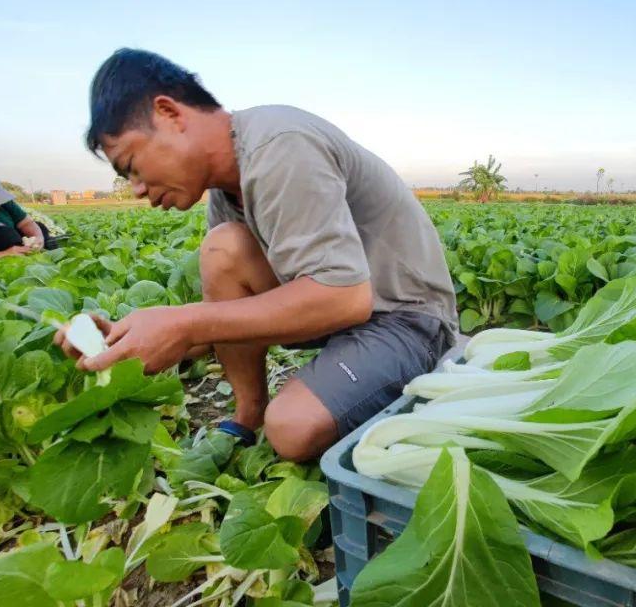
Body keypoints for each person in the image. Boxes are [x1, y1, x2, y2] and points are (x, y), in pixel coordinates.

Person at [56, 48, 458, 462]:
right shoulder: (226, 191)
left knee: (293, 428)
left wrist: (184, 323)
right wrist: (124, 339)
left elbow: (345, 297)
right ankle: (249, 413)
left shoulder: (279, 142)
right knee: (223, 249)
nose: (137, 189)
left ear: (169, 114)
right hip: (345, 315)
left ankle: (416, 377)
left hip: (406, 319)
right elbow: (227, 317)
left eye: (132, 166)